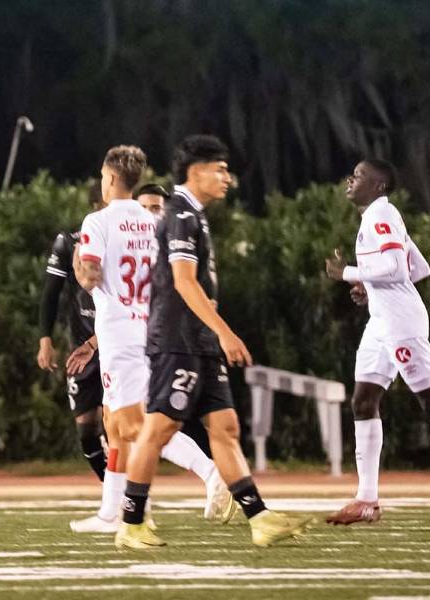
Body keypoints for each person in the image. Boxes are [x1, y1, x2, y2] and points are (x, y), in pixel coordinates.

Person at [115, 135, 313, 549]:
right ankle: (130, 522)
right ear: (196, 171)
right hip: (178, 340)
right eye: (219, 169)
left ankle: (259, 518)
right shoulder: (181, 213)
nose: (227, 177)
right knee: (159, 427)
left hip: (199, 341)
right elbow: (184, 282)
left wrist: (214, 333)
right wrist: (225, 331)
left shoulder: (195, 215)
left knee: (225, 428)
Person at [70, 146, 232, 534]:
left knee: (133, 425)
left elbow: (89, 275)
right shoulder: (154, 219)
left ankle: (211, 472)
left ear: (110, 178)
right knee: (113, 422)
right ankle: (111, 510)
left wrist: (79, 263)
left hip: (120, 332)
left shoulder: (98, 220)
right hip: (152, 328)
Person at [325, 158, 430, 525]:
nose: (350, 180)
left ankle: (367, 499)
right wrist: (370, 287)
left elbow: (397, 267)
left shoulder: (381, 215)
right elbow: (419, 268)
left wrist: (348, 273)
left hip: (400, 324)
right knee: (363, 401)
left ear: (378, 186)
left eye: (359, 175)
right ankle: (367, 501)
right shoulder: (378, 216)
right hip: (381, 322)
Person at [37, 184, 108, 482]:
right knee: (87, 431)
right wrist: (45, 339)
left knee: (119, 425)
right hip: (82, 350)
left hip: (116, 344)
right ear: (96, 205)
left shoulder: (128, 240)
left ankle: (129, 498)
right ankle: (116, 493)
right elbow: (50, 293)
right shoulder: (70, 243)